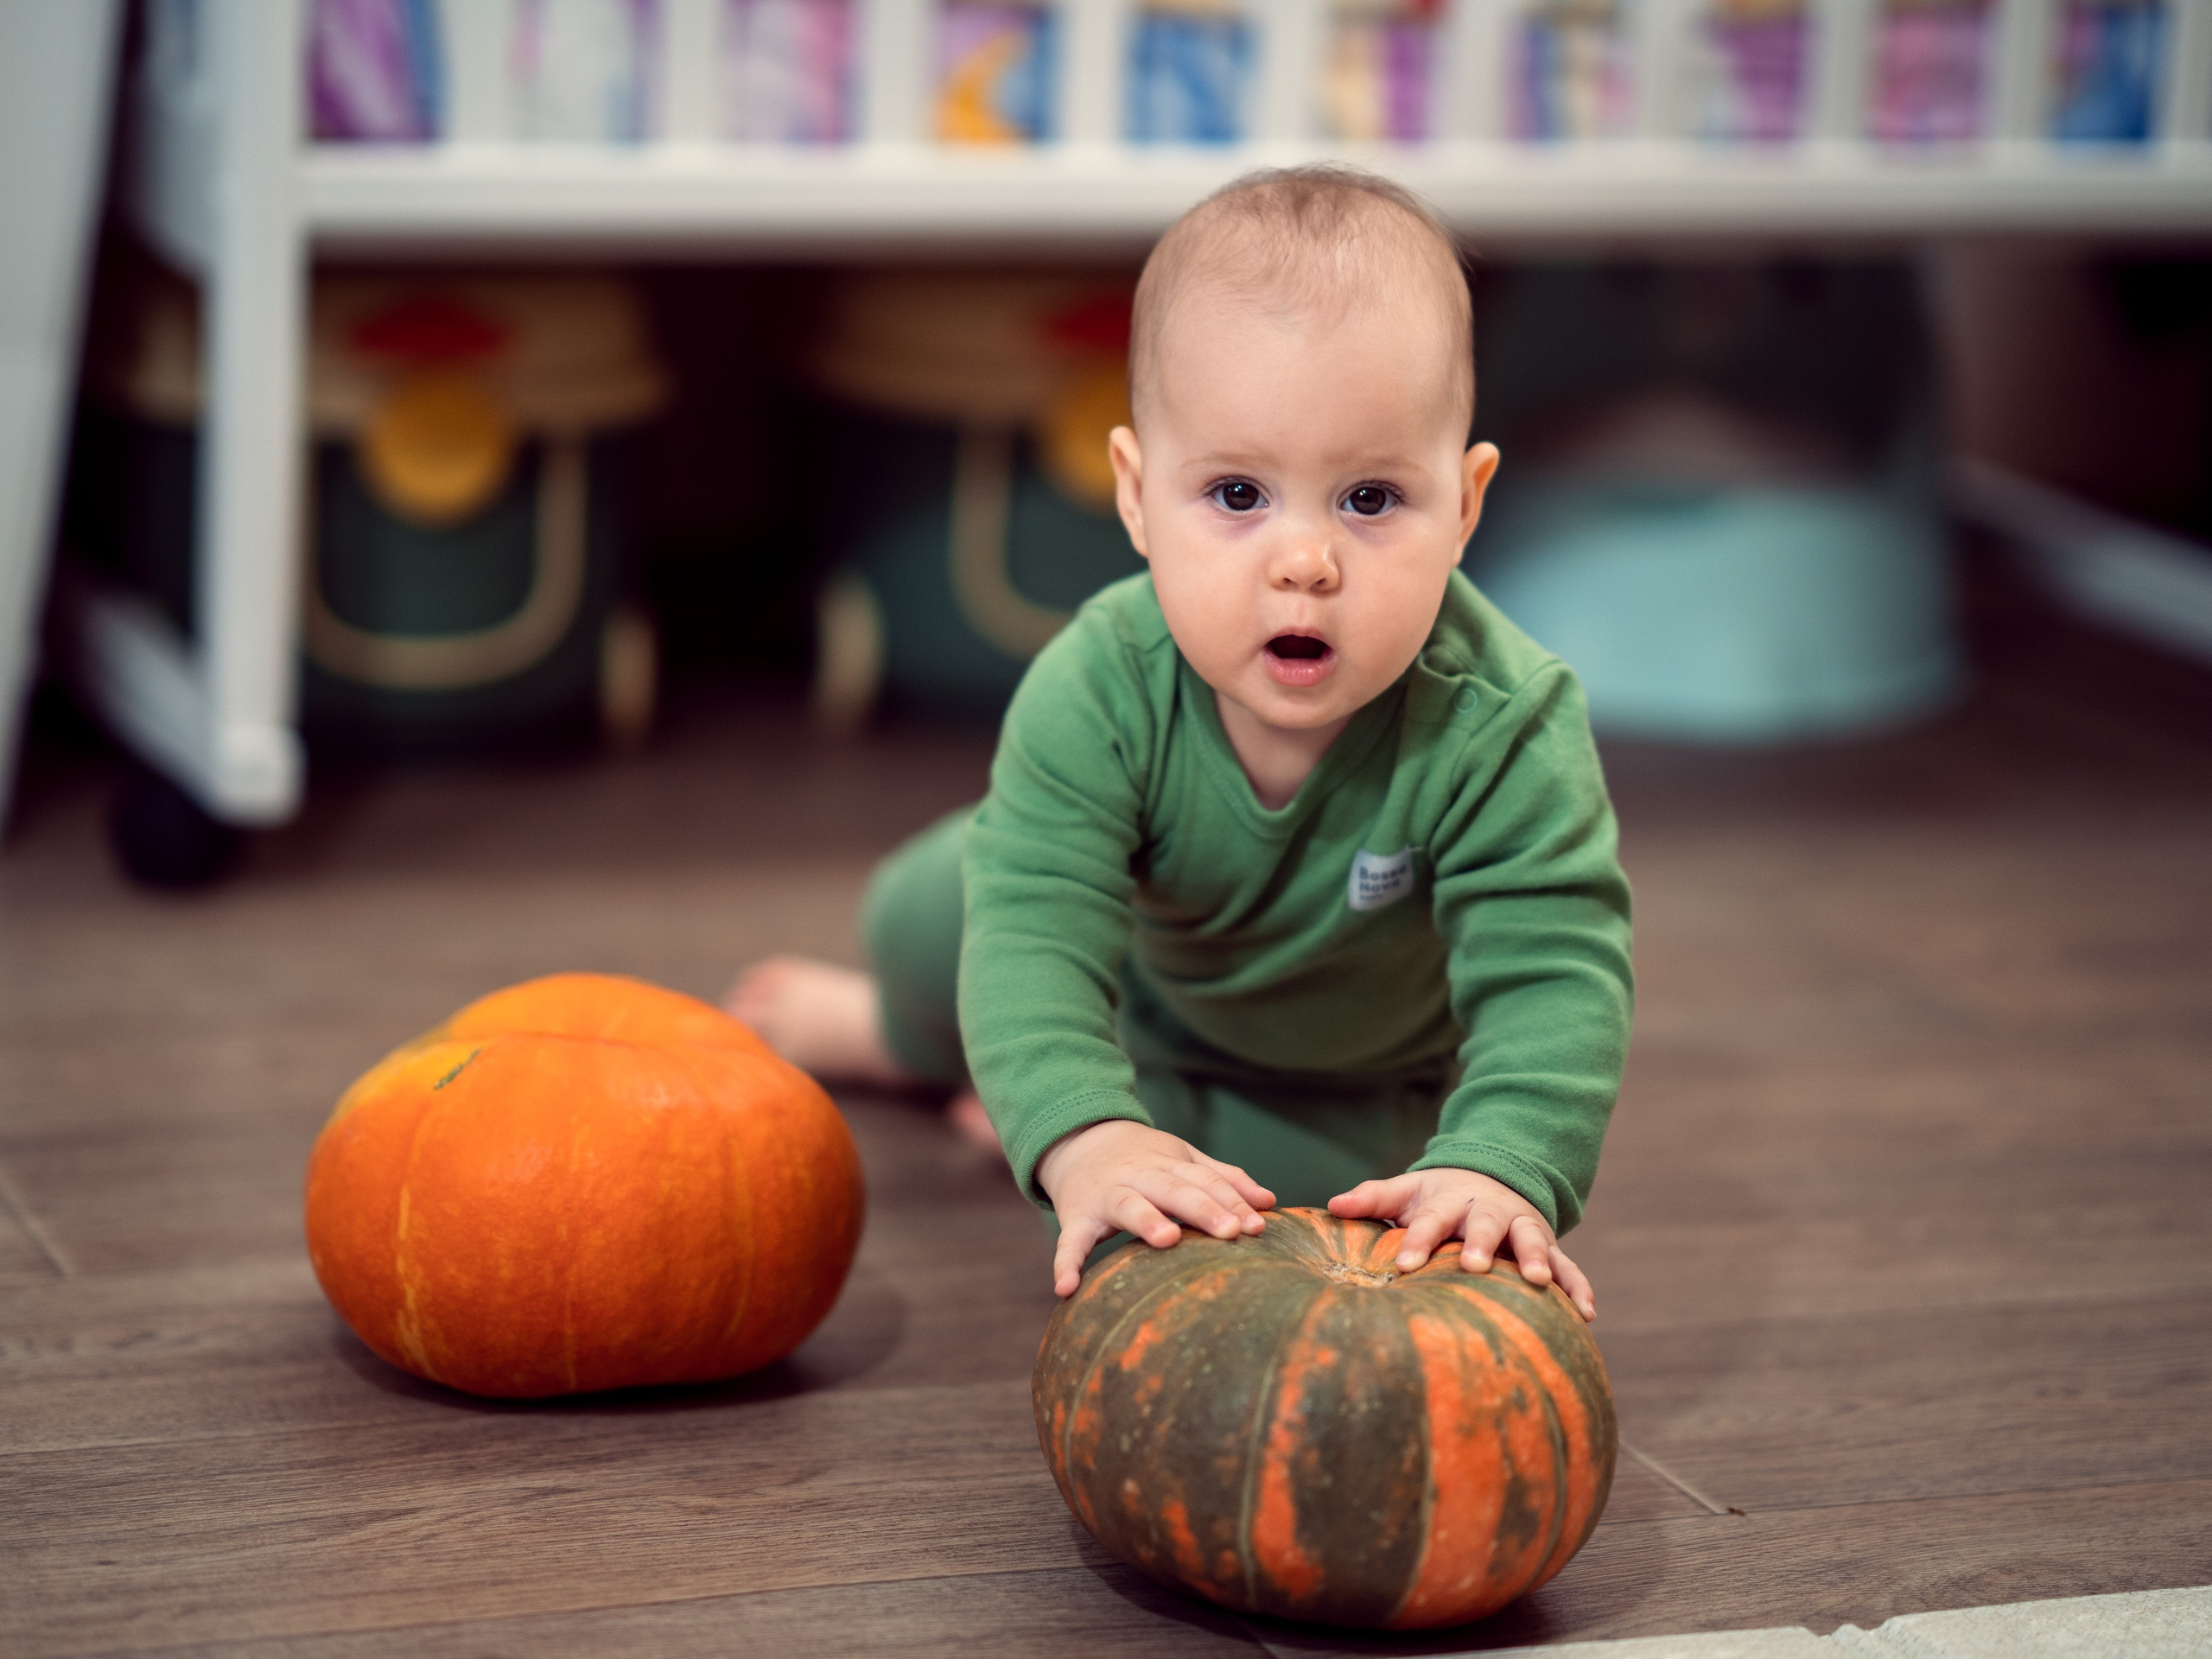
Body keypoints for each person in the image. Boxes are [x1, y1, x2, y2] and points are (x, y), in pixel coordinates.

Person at [732, 164, 1632, 1315]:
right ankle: (920, 1040)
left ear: (1463, 507)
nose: (1303, 561)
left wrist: (1498, 1161)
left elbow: (1556, 973)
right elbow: (1039, 928)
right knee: (941, 907)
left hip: (1346, 1068)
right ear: (1137, 495)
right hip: (1133, 975)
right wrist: (1089, 1136)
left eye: (1368, 500)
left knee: (1311, 1214)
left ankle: (1083, 1090)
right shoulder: (1101, 682)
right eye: (1239, 495)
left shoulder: (1505, 722)